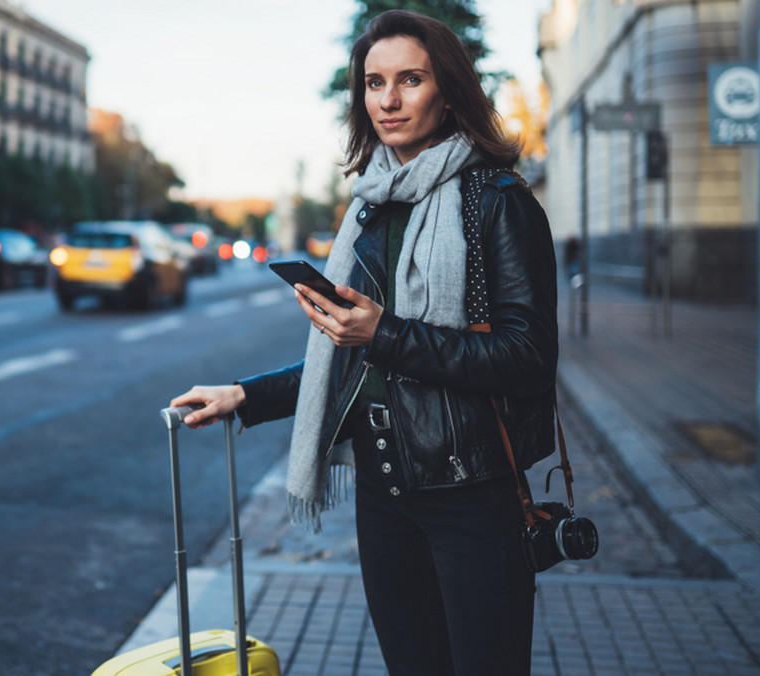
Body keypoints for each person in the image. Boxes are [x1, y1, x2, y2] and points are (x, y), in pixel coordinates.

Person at [170, 10, 558, 676]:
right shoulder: (370, 208)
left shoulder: (498, 201)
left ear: (449, 89)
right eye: (374, 82)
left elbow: (527, 360)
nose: (389, 99)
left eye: (411, 79)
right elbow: (347, 361)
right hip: (385, 498)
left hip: (472, 492)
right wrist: (244, 395)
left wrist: (384, 332)